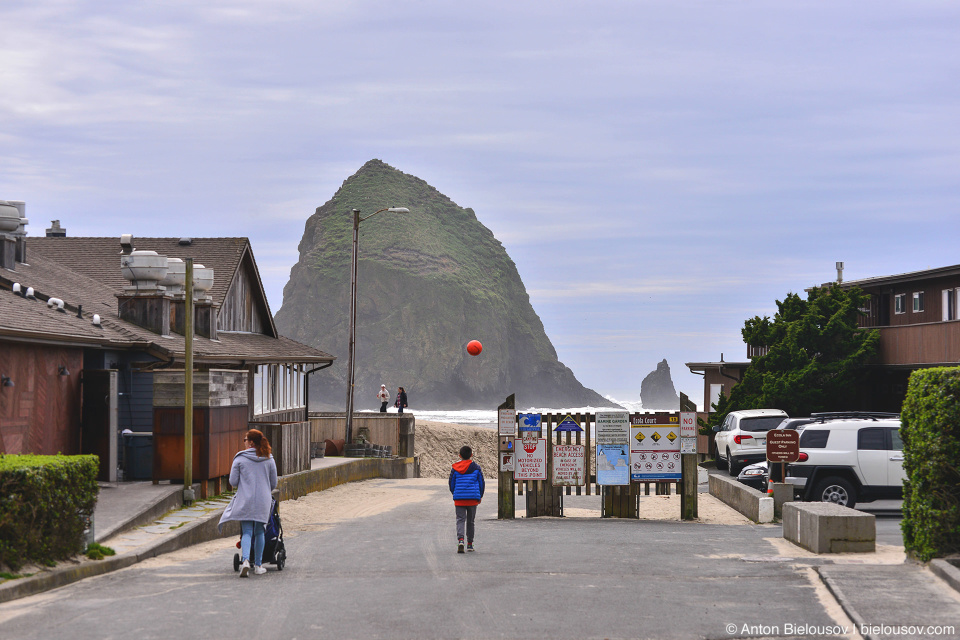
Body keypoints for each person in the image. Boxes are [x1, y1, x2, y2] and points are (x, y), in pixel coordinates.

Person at [218, 429, 278, 577]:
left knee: (247, 532)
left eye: (245, 440)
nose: (243, 442)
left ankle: (245, 561)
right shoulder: (269, 459)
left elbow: (232, 481)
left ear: (251, 442)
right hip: (263, 500)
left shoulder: (239, 459)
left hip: (245, 499)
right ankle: (258, 566)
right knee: (259, 532)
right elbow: (274, 483)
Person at [448, 445, 484, 553]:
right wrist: (480, 495)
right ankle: (470, 544)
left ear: (460, 455)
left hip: (459, 499)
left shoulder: (455, 468)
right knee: (470, 521)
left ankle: (461, 541)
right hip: (473, 498)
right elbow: (481, 483)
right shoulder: (476, 468)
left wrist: (455, 493)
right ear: (471, 455)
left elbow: (451, 483)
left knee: (460, 520)